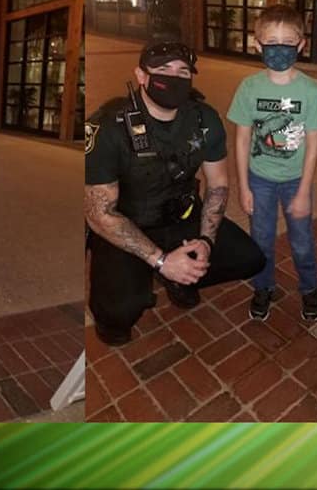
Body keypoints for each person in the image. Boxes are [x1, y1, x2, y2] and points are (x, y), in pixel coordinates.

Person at [83, 40, 265, 346]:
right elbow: (98, 213)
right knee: (118, 313)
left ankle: (181, 278)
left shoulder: (203, 118)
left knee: (250, 258)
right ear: (141, 76)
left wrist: (206, 240)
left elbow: (218, 184)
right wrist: (161, 261)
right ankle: (154, 277)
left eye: (183, 72)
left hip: (182, 217)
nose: (174, 78)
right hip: (127, 224)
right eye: (163, 69)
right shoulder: (109, 127)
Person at [228, 6, 317, 322]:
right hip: (259, 178)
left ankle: (309, 287)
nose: (279, 48)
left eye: (287, 41)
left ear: (301, 44)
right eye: (271, 42)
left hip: (296, 179)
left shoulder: (310, 90)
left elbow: (314, 142)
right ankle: (263, 286)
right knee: (261, 239)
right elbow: (242, 139)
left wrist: (304, 191)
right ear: (257, 44)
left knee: (302, 241)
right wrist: (243, 186)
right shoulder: (249, 87)